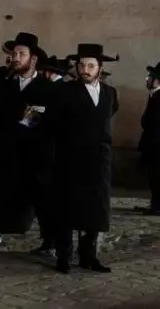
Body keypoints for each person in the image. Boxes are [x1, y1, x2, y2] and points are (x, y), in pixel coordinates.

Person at [0, 32, 56, 255]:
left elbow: (51, 120)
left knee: (42, 198)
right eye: (14, 54)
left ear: (33, 59)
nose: (15, 58)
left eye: (22, 54)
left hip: (36, 153)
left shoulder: (47, 88)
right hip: (8, 150)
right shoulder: (4, 84)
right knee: (2, 191)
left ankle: (50, 242)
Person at [50, 43, 119, 274]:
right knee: (67, 207)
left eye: (91, 66)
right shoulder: (65, 91)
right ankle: (64, 256)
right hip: (71, 158)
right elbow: (54, 123)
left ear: (100, 68)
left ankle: (89, 256)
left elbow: (109, 113)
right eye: (81, 65)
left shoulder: (110, 93)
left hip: (99, 159)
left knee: (96, 208)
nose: (85, 70)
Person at [137, 60, 160, 216]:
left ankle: (157, 206)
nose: (147, 79)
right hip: (153, 145)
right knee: (154, 176)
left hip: (157, 145)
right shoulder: (154, 95)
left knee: (157, 176)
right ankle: (155, 204)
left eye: (151, 76)